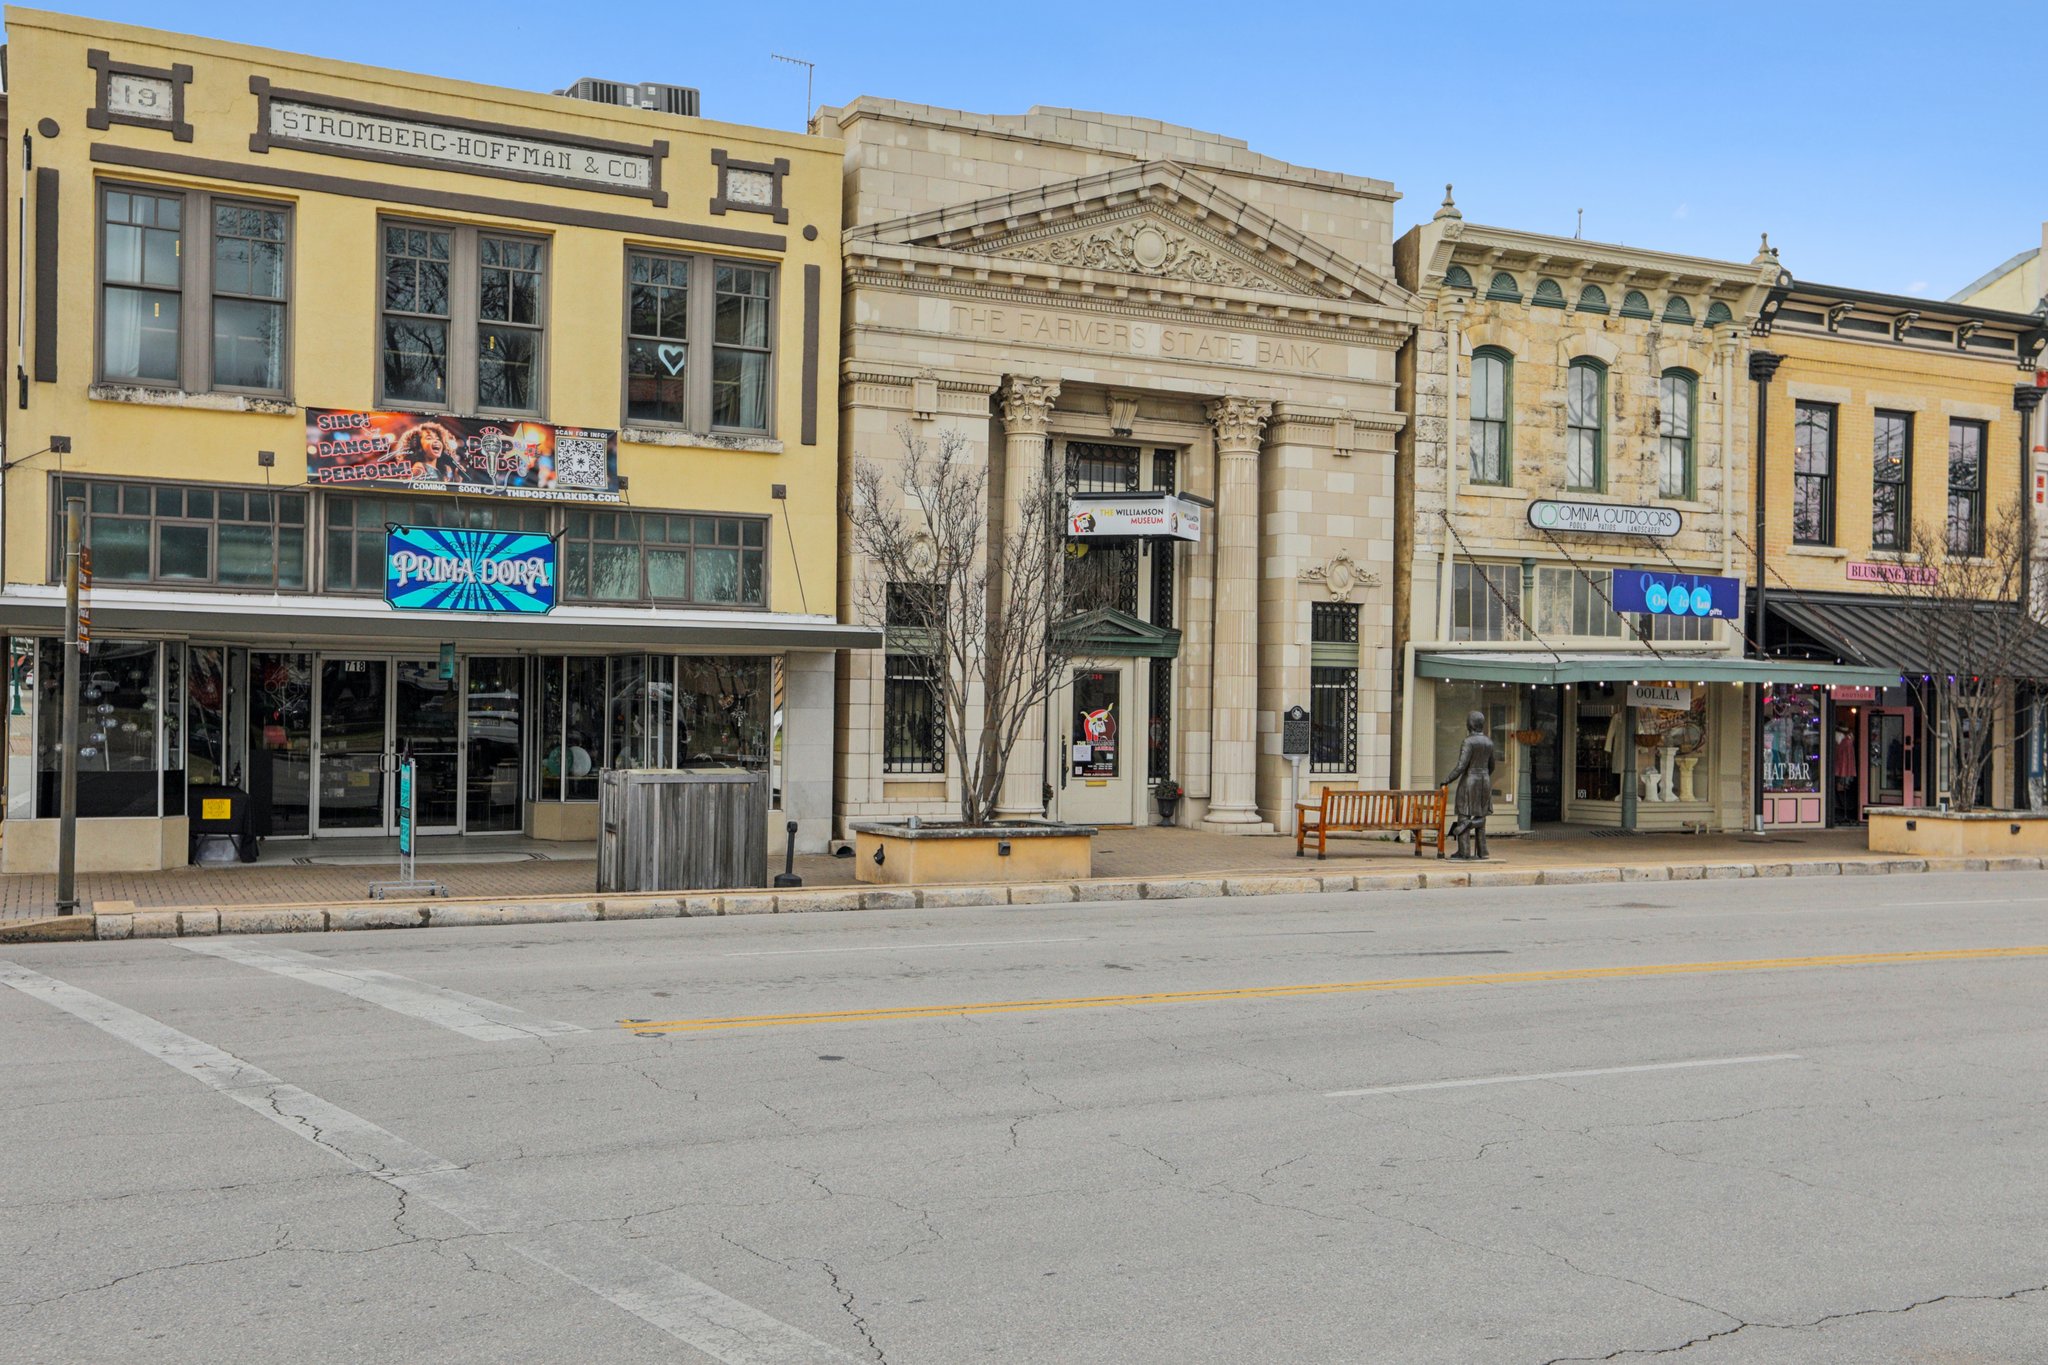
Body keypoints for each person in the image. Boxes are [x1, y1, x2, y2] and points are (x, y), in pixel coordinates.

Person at [1441, 710, 1497, 860]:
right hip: (1485, 780)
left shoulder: (1468, 741)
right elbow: (1492, 766)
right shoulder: (1489, 742)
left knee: (1463, 814)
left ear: (1469, 724)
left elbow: (1461, 766)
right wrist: (1484, 776)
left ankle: (1464, 850)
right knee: (1481, 815)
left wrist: (1447, 779)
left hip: (1470, 781)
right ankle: (1483, 851)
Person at [1834, 723, 1859, 824]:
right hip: (1844, 769)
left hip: (1842, 770)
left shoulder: (1845, 742)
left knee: (1842, 790)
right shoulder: (1847, 741)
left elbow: (1843, 759)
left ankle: (1844, 811)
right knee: (1842, 790)